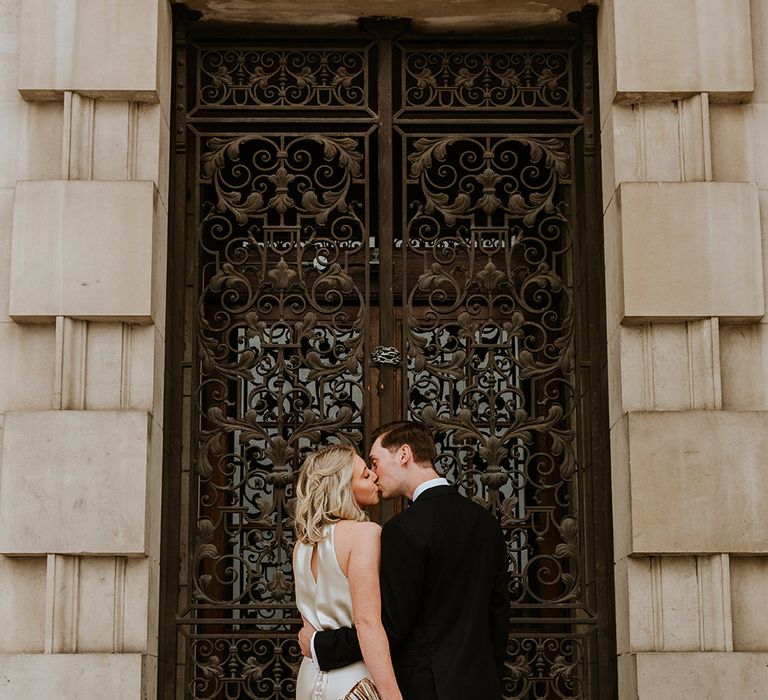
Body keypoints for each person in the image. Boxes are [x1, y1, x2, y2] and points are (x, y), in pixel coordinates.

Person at [299, 422, 510, 700]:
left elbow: (390, 627)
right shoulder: (486, 524)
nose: (374, 474)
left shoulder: (403, 529)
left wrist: (320, 644)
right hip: (482, 686)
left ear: (403, 455)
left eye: (375, 462)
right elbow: (498, 615)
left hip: (424, 688)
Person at [293, 444, 402, 700]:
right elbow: (367, 624)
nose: (374, 476)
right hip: (354, 683)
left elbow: (308, 626)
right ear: (343, 488)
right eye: (365, 475)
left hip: (308, 679)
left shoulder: (302, 545)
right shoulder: (365, 533)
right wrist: (391, 694)